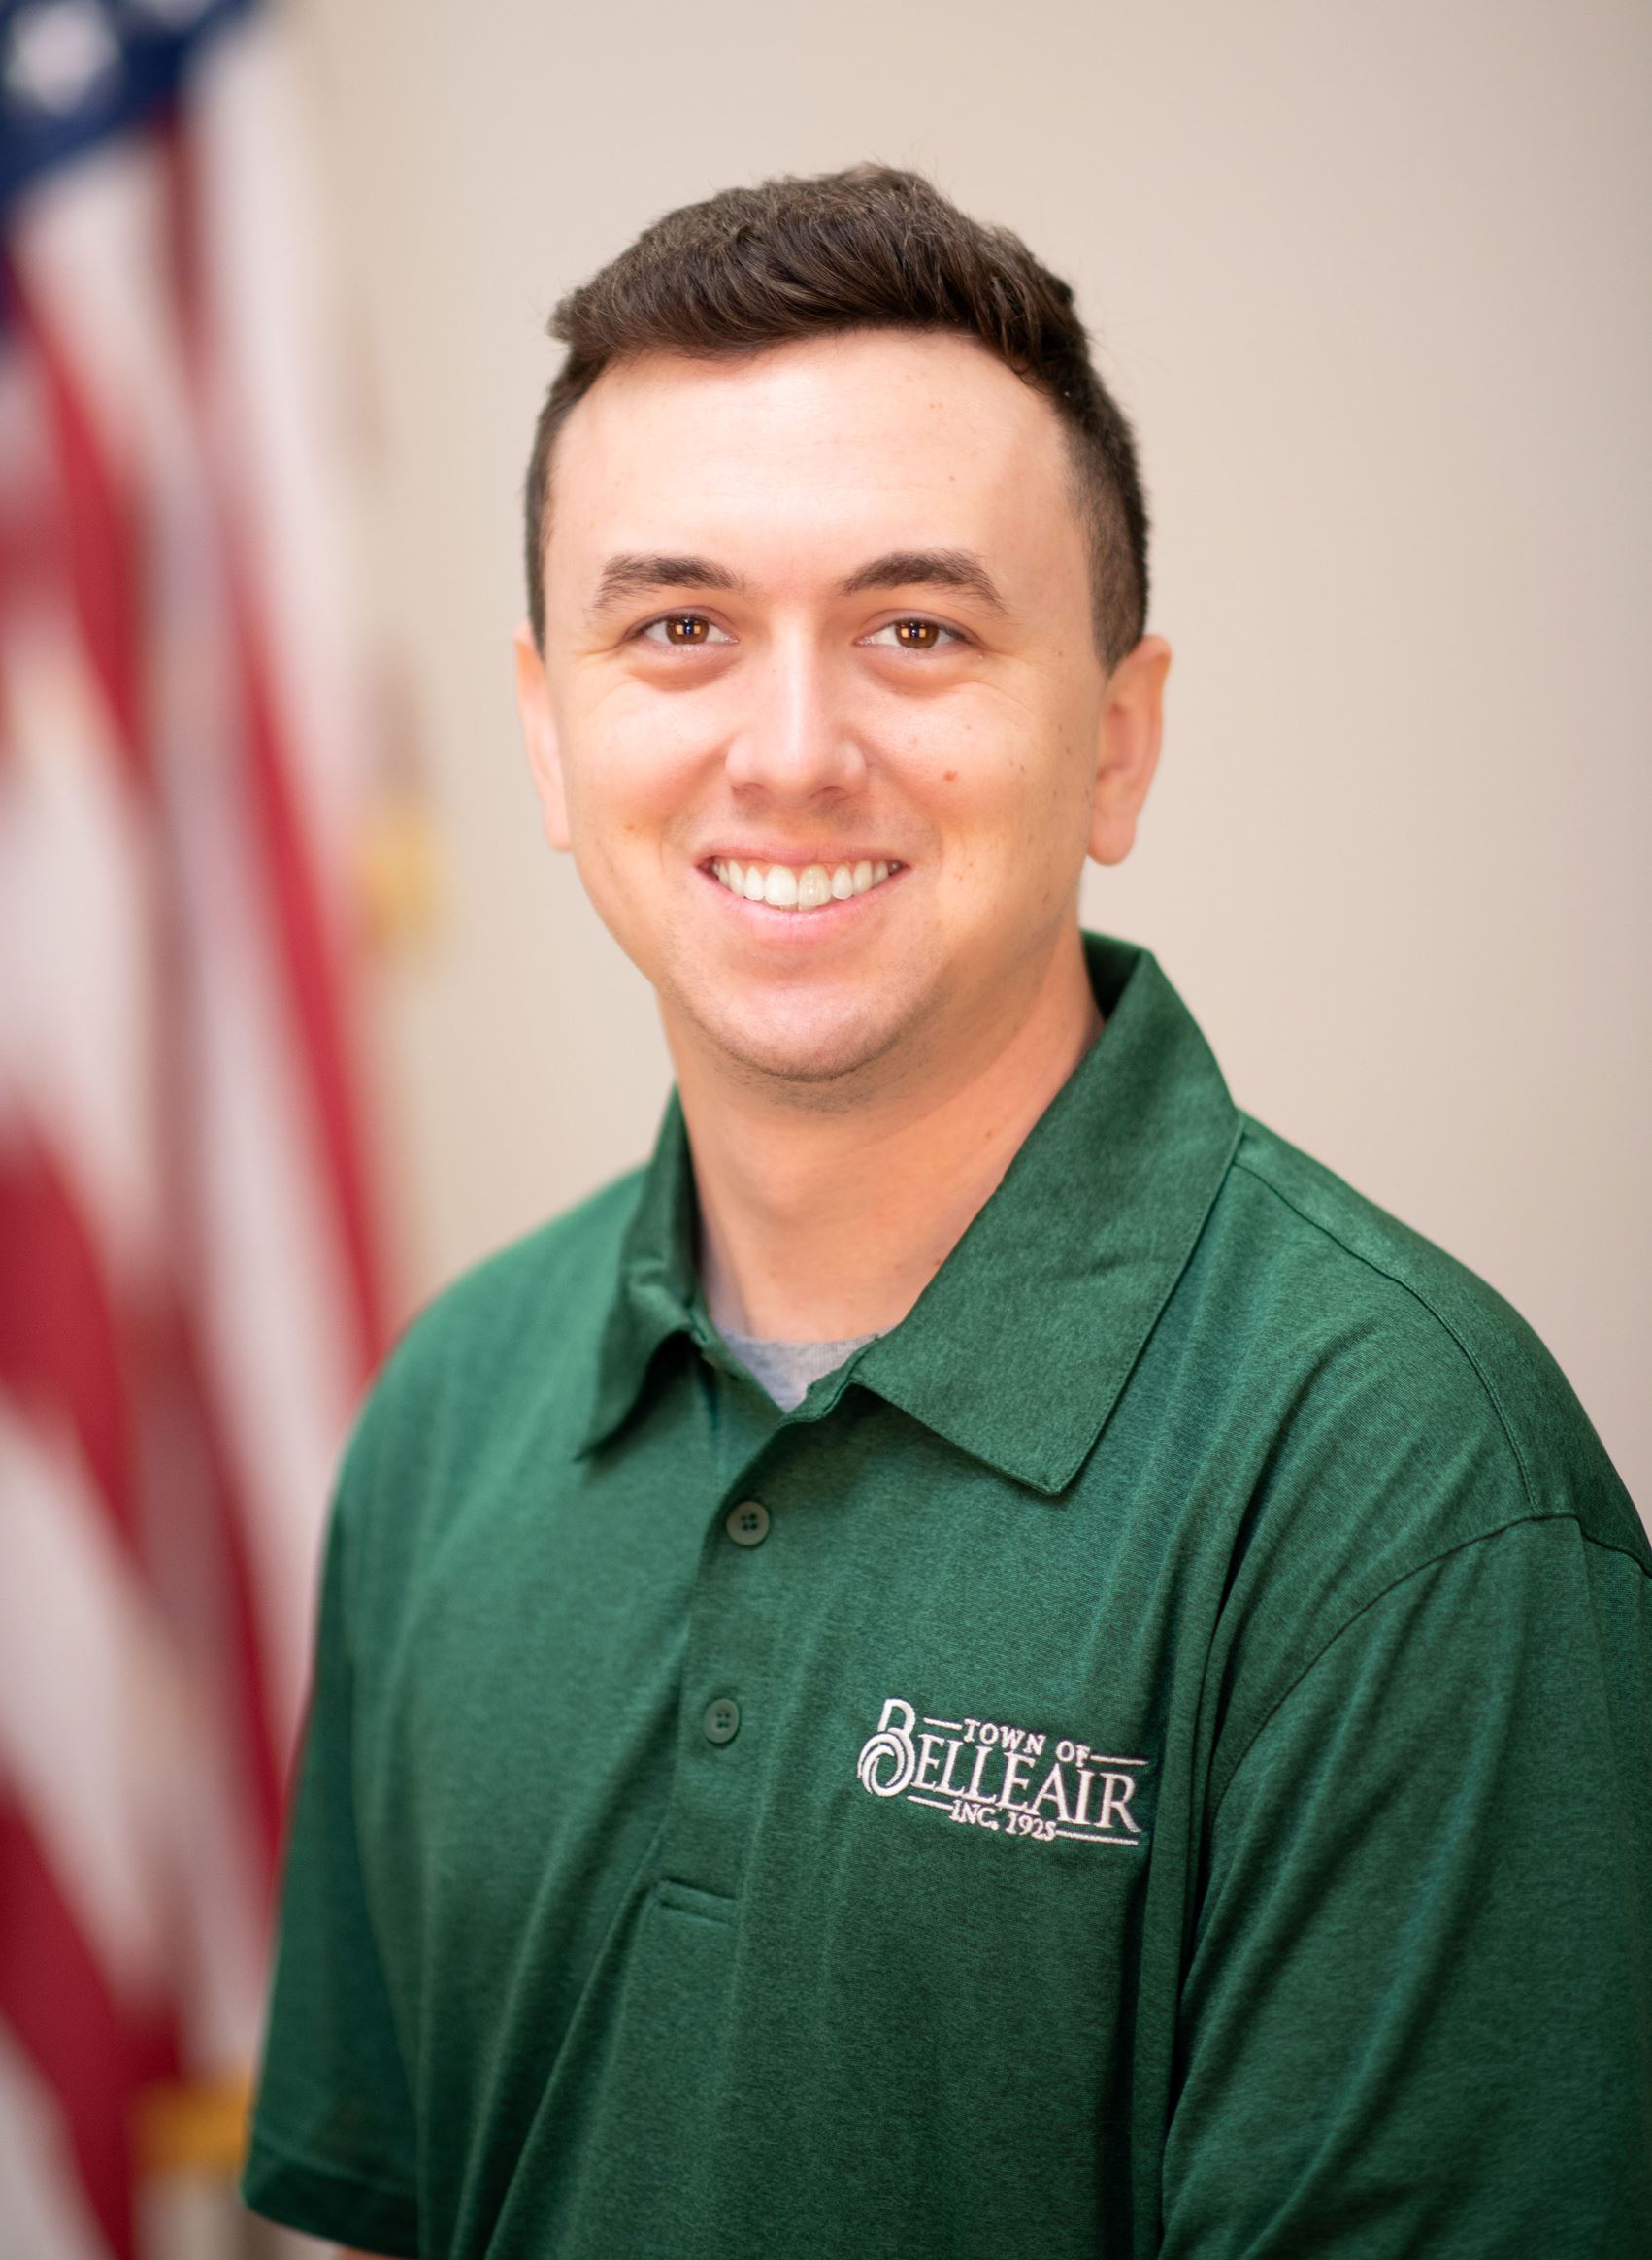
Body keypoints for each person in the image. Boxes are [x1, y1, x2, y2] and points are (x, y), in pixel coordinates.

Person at [241, 166, 1652, 2258]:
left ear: (1119, 739)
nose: (793, 749)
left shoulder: (1405, 1490)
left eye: (917, 628)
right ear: (549, 735)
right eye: (680, 629)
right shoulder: (450, 1409)